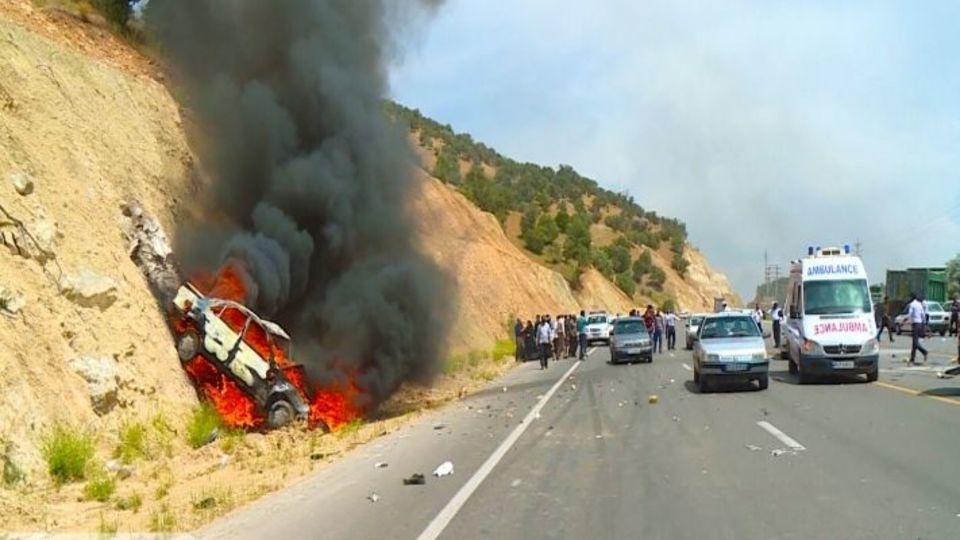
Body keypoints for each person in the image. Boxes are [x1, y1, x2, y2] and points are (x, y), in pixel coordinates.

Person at [907, 293, 928, 365]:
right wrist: (924, 323)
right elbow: (923, 314)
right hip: (920, 323)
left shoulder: (912, 305)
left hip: (915, 324)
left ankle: (924, 351)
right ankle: (912, 358)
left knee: (915, 342)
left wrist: (909, 321)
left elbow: (910, 314)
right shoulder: (919, 304)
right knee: (914, 342)